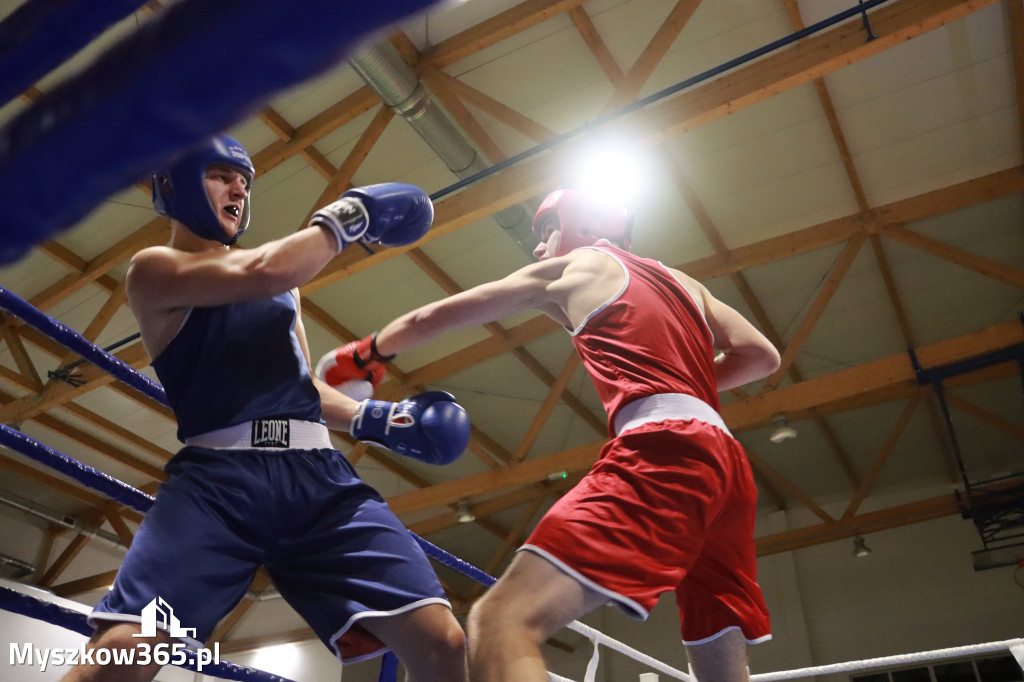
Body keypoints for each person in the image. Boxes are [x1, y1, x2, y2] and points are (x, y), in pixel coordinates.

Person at [317, 188, 782, 682]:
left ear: (578, 226)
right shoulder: (683, 281)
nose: (538, 249)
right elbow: (761, 356)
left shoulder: (577, 266)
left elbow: (430, 317)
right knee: (714, 637)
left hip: (664, 447)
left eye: (545, 233)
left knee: (500, 622)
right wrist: (684, 383)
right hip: (726, 461)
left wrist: (366, 354)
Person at [61, 134, 471, 682]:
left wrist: (377, 419)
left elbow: (303, 384)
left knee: (442, 642)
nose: (239, 187)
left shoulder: (284, 288)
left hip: (317, 479)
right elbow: (265, 271)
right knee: (122, 653)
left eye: (245, 180)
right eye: (221, 174)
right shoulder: (155, 268)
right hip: (217, 485)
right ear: (174, 186)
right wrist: (350, 215)